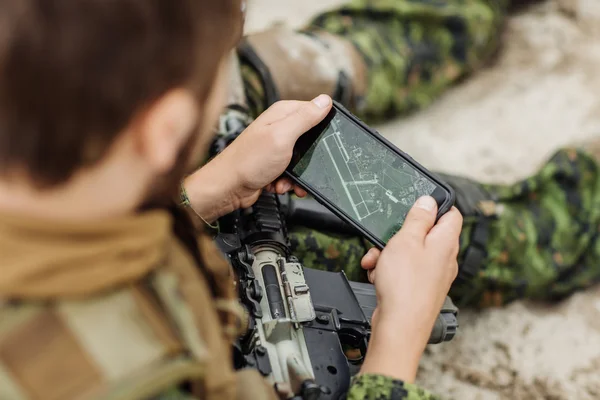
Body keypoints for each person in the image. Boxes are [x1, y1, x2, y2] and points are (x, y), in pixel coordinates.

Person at [0, 1, 461, 399]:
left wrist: (203, 191)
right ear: (166, 129)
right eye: (223, 71)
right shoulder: (136, 381)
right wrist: (396, 341)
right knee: (461, 235)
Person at [222, 0, 600, 308]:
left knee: (314, 63)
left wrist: (206, 188)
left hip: (190, 181)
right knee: (435, 236)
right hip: (225, 273)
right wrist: (401, 327)